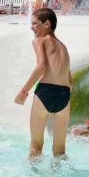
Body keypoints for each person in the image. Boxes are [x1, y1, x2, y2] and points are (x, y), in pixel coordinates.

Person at [14, 8, 72, 158]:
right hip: (64, 96)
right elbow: (70, 80)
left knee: (36, 146)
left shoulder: (40, 40)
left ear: (47, 23)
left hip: (46, 91)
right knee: (60, 151)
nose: (31, 27)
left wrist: (23, 92)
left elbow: (42, 66)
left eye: (34, 23)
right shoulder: (63, 47)